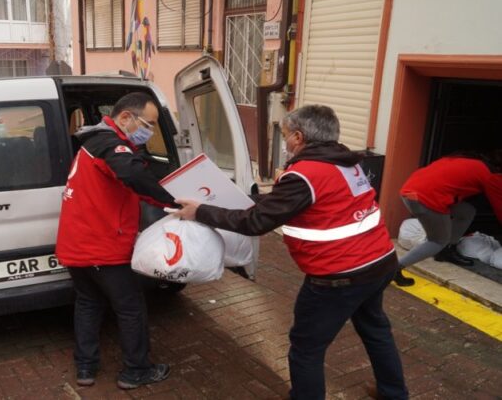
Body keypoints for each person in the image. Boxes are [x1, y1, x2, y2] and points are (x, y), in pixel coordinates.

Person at [173, 105, 408, 400]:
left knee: (306, 347)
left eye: (285, 136)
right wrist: (237, 198)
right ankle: (394, 393)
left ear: (298, 137)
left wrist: (202, 212)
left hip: (337, 277)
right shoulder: (347, 162)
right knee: (375, 329)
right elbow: (287, 201)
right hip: (379, 263)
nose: (284, 142)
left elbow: (256, 222)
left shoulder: (304, 173)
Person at [55, 92, 173, 390]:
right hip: (103, 249)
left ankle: (85, 366)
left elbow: (127, 179)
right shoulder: (112, 145)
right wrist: (172, 201)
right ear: (125, 118)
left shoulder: (91, 144)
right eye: (149, 123)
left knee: (88, 303)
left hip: (75, 247)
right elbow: (132, 174)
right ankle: (136, 370)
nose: (151, 130)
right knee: (131, 307)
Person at [393, 151, 502, 287]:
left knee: (466, 211)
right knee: (437, 241)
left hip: (410, 191)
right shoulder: (492, 176)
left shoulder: (464, 158)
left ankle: (446, 250)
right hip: (427, 198)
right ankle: (394, 269)